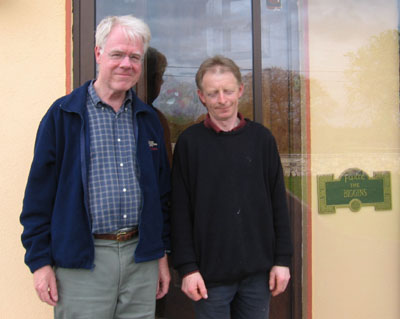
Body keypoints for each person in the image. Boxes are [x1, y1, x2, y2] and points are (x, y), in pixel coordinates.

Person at [20, 15, 171, 319]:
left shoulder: (148, 120)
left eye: (135, 57)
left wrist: (161, 255)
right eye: (117, 54)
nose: (126, 64)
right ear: (98, 53)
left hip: (140, 259)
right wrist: (40, 263)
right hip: (82, 261)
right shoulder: (63, 116)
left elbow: (162, 195)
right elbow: (38, 199)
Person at [171, 55, 293, 319]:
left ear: (240, 90)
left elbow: (278, 206)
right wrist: (187, 268)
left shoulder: (262, 140)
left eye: (227, 91)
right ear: (201, 96)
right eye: (213, 93)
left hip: (257, 277)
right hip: (208, 279)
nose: (222, 99)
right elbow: (179, 212)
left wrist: (282, 261)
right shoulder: (190, 144)